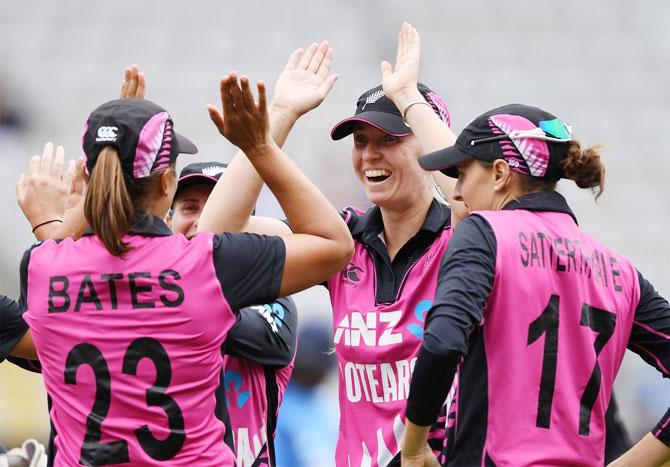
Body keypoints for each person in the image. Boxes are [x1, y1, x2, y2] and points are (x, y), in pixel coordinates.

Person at [18, 69, 353, 467]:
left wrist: (57, 222)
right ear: (167, 187)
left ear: (91, 178)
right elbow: (334, 244)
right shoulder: (207, 264)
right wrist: (261, 147)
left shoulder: (42, 264)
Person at [197, 23, 463, 466]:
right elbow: (213, 241)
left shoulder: (464, 240)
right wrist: (276, 120)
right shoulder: (345, 239)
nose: (369, 154)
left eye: (389, 140)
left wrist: (411, 100)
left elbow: (464, 192)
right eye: (360, 142)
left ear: (427, 143)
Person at [400, 103, 670, 466]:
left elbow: (444, 341)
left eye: (462, 174)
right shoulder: (622, 271)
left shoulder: (484, 234)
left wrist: (414, 444)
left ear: (499, 174)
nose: (459, 192)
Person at [168, 161, 298, 467]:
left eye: (218, 209)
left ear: (248, 225)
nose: (203, 223)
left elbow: (267, 339)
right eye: (190, 208)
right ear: (167, 220)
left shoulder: (274, 298)